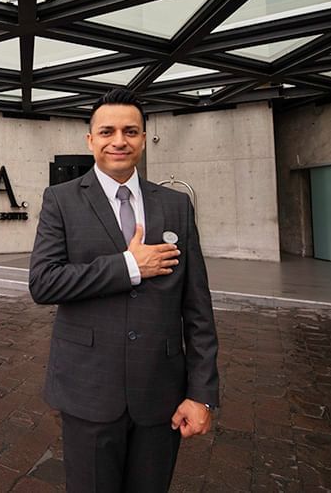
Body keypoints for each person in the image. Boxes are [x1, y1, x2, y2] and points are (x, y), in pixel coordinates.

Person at [29, 88, 219, 492]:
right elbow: (43, 282)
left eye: (130, 131)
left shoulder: (176, 204)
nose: (119, 140)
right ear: (90, 140)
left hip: (161, 393)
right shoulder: (61, 201)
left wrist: (201, 394)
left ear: (144, 137)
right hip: (88, 391)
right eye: (107, 131)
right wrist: (129, 266)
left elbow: (197, 306)